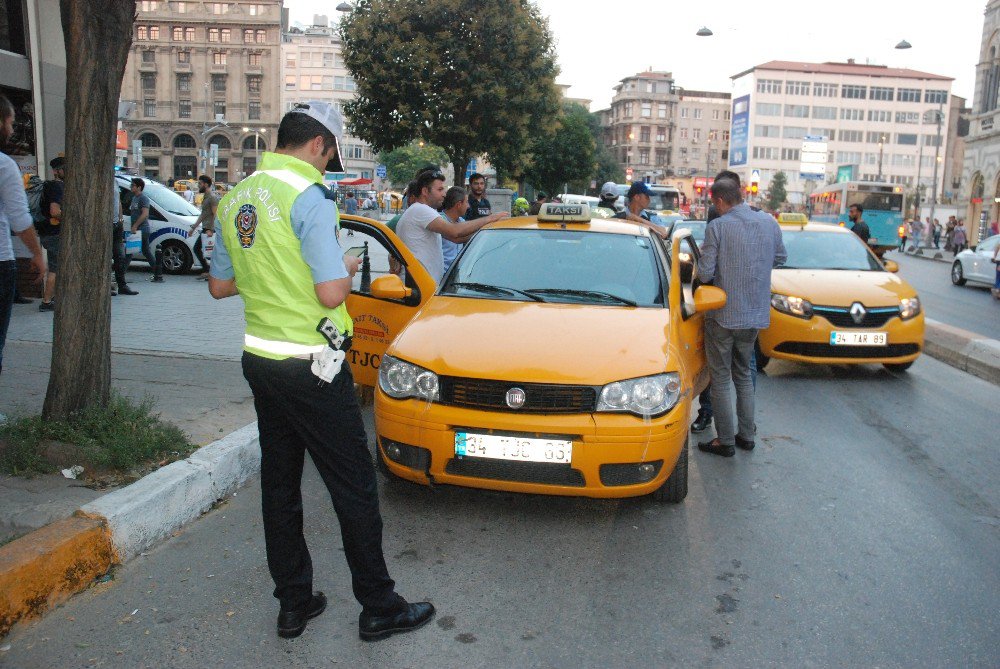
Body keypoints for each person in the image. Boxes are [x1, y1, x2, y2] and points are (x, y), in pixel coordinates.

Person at [207, 101, 434, 641]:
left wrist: (269, 272)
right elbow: (332, 292)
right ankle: (379, 604)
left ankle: (294, 603)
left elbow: (220, 285)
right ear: (318, 145)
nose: (324, 166)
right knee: (353, 485)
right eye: (328, 156)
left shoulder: (234, 198)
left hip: (261, 364)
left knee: (280, 484)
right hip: (314, 365)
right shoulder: (309, 198)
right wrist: (345, 265)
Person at [696, 178, 786, 457]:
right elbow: (780, 257)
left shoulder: (718, 227)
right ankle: (746, 435)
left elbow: (704, 273)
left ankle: (725, 441)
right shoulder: (769, 222)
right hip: (755, 314)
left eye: (714, 203)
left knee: (720, 378)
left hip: (722, 314)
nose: (715, 208)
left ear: (720, 201)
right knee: (745, 375)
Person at [396, 168, 507, 284]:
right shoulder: (420, 209)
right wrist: (490, 219)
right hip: (416, 287)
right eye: (439, 189)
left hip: (423, 287)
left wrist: (488, 230)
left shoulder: (423, 211)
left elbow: (456, 238)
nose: (444, 194)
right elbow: (455, 231)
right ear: (424, 191)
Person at [1, 94, 46, 374]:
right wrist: (37, 253)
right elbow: (20, 219)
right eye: (10, 121)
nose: (12, 128)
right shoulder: (4, 165)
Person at [36, 156, 65, 311]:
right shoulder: (57, 187)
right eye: (64, 168)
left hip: (48, 233)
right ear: (56, 171)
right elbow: (54, 211)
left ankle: (51, 298)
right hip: (54, 233)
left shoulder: (50, 186)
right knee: (54, 268)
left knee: (56, 266)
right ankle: (46, 302)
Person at [129, 178, 162, 282]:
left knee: (129, 252)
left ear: (139, 187)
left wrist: (135, 225)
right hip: (137, 229)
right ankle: (157, 272)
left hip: (142, 229)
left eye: (133, 185)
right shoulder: (134, 198)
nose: (131, 187)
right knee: (146, 251)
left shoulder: (143, 198)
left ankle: (120, 275)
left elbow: (145, 214)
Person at [111, 181, 137, 296]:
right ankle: (105, 286)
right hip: (106, 224)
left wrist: (120, 219)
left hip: (116, 224)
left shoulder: (115, 181)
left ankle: (122, 285)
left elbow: (119, 203)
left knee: (120, 256)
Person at [190, 175, 218, 279]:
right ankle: (209, 271)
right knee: (204, 251)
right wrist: (193, 227)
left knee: (201, 250)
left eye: (200, 183)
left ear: (206, 184)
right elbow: (203, 214)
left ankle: (209, 272)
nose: (198, 186)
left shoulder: (212, 198)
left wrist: (211, 229)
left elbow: (216, 214)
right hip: (206, 228)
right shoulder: (206, 197)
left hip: (210, 230)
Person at [440, 186, 470, 275]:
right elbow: (456, 235)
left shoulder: (462, 221)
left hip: (457, 275)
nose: (468, 206)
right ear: (459, 204)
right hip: (442, 277)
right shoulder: (439, 221)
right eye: (466, 202)